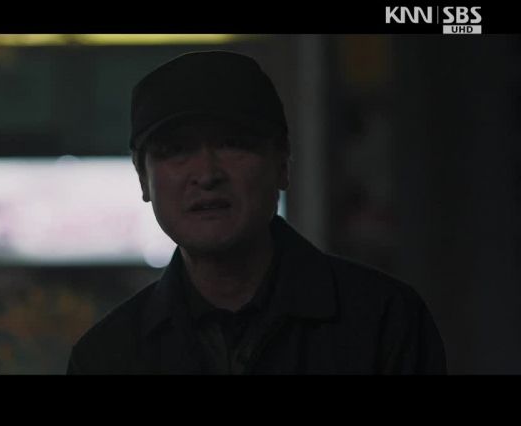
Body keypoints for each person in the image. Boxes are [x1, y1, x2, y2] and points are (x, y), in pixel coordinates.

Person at [66, 50, 447, 374]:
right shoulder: (106, 356)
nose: (207, 174)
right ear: (143, 178)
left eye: (233, 144)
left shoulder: (382, 320)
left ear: (282, 163)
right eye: (176, 150)